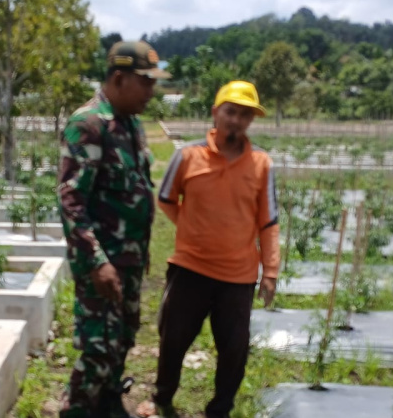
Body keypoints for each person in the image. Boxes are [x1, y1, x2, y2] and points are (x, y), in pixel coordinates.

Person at [144, 80, 280, 418]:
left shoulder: (262, 163)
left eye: (245, 115)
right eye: (231, 112)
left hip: (238, 276)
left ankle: (220, 410)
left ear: (251, 120)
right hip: (190, 268)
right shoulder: (187, 155)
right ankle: (162, 398)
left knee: (234, 350)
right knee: (173, 339)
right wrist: (191, 228)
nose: (237, 121)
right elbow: (166, 199)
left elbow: (269, 222)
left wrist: (270, 272)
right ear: (215, 112)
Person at [57, 41, 171, 418]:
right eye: (146, 82)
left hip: (129, 259)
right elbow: (72, 201)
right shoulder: (89, 124)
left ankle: (108, 405)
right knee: (98, 349)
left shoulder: (131, 124)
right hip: (102, 264)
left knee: (123, 337)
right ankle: (76, 410)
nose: (152, 91)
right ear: (119, 79)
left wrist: (140, 252)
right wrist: (97, 261)